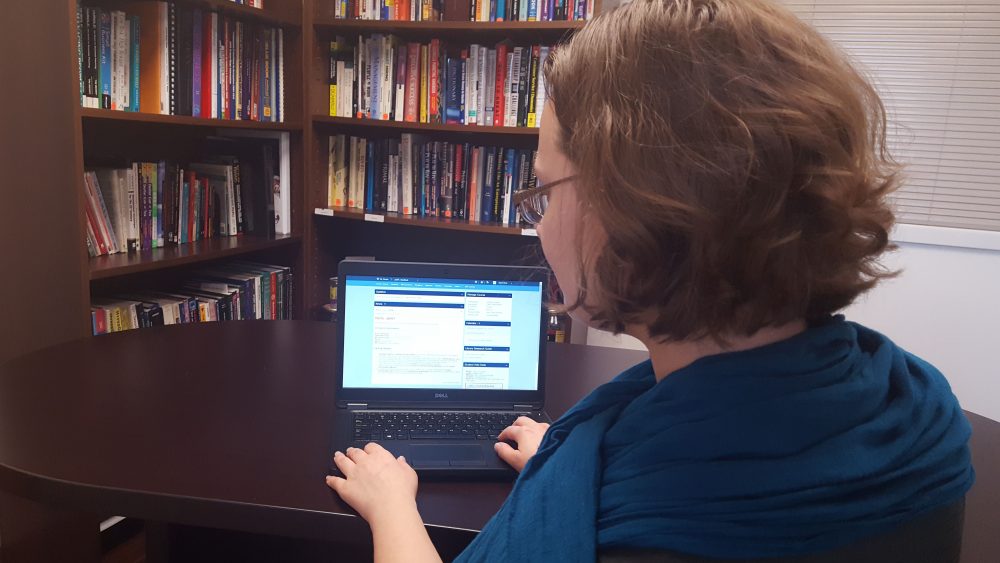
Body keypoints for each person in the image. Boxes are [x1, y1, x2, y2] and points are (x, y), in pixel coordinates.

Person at [324, 0, 975, 561]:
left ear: (634, 215)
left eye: (547, 191)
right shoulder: (917, 411)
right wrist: (574, 462)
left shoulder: (639, 538)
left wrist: (392, 508)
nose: (541, 225)